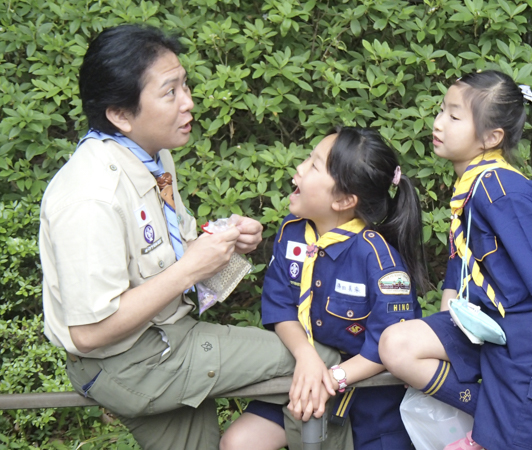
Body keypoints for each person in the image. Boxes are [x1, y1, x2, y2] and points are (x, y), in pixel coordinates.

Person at [39, 24, 344, 450]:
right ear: (120, 114)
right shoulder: (91, 196)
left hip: (163, 341)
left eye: (185, 85)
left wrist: (225, 243)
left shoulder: (151, 155)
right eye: (170, 92)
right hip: (133, 363)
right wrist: (190, 268)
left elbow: (173, 257)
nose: (189, 103)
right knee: (322, 363)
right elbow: (90, 331)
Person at [379, 70, 532, 450]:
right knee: (398, 344)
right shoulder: (474, 188)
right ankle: (497, 419)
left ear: (491, 137)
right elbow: (460, 266)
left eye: (454, 116)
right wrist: (445, 327)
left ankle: (503, 426)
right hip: (494, 330)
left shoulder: (503, 190)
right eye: (442, 111)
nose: (438, 123)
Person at [220, 127, 428, 450]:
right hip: (303, 376)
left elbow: (389, 345)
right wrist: (306, 358)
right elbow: (281, 307)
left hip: (368, 399)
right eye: (308, 159)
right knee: (238, 442)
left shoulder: (378, 259)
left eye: (314, 166)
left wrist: (332, 378)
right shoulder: (291, 235)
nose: (298, 170)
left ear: (345, 200)